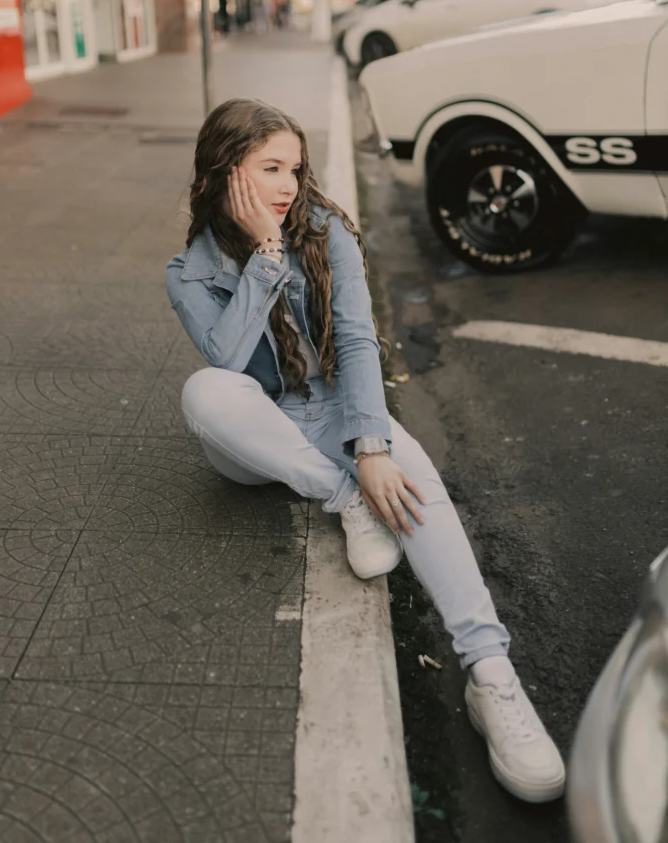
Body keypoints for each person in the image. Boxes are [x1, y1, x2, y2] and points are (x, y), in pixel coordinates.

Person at [165, 98, 566, 804]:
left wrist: (372, 445)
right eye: (270, 168)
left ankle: (491, 673)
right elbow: (227, 360)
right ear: (226, 172)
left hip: (330, 409)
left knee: (412, 481)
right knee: (204, 393)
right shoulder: (188, 271)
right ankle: (341, 494)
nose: (289, 185)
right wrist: (265, 255)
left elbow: (353, 341)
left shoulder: (323, 229)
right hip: (256, 433)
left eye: (295, 168)